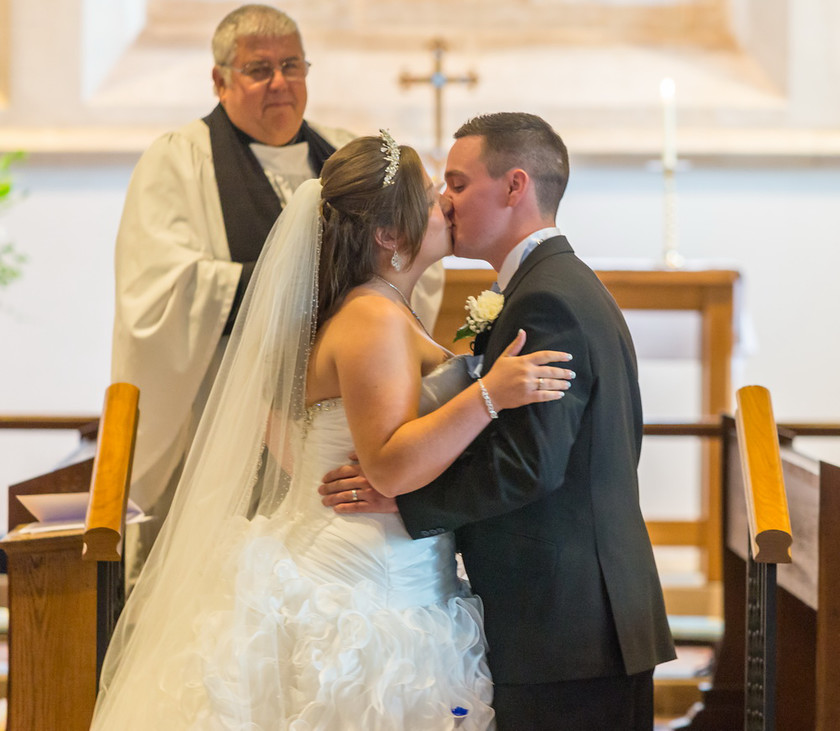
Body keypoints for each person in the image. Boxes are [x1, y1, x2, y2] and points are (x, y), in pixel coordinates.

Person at [92, 132, 574, 729]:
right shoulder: (372, 318)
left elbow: (294, 425)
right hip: (359, 588)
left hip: (384, 566)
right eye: (429, 199)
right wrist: (487, 396)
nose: (445, 207)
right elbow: (391, 466)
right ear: (389, 235)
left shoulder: (376, 308)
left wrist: (323, 468)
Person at [320, 113, 676, 730]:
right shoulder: (551, 286)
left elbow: (530, 463)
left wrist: (403, 497)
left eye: (457, 183)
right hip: (573, 623)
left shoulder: (548, 299)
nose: (445, 201)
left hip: (566, 627)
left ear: (515, 186)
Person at [111, 4, 446, 584]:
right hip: (220, 407)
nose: (279, 83)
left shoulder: (343, 154)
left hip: (333, 418)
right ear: (219, 80)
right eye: (258, 69)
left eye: (292, 65)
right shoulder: (179, 160)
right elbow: (159, 286)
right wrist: (285, 290)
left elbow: (406, 253)